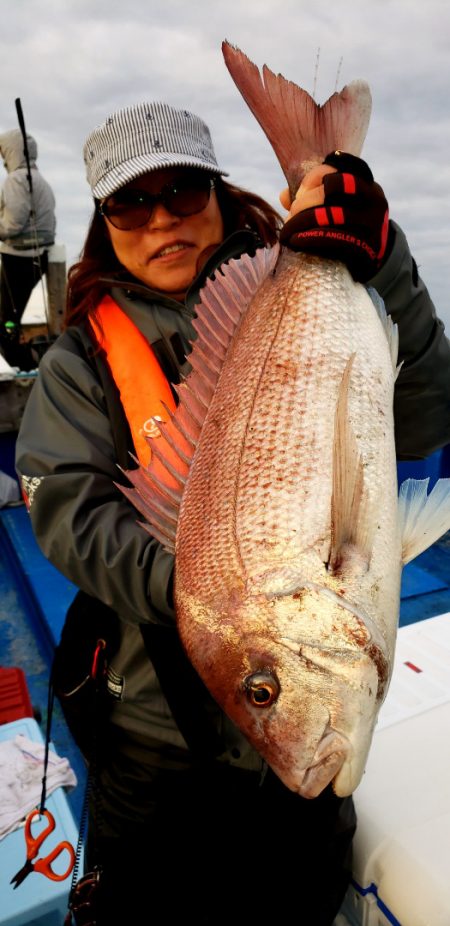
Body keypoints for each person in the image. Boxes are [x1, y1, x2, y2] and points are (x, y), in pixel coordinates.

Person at [15, 101, 450, 925]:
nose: (161, 219)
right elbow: (69, 514)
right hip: (153, 741)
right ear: (105, 222)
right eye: (130, 203)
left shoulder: (320, 277)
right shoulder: (79, 362)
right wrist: (223, 600)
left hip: (284, 743)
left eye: (182, 190)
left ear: (217, 192)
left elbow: (428, 418)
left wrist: (383, 255)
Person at [0, 129, 56, 366]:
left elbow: (13, 224)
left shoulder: (16, 180)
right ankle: (24, 362)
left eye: (4, 152)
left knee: (6, 319)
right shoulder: (39, 180)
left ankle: (20, 365)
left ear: (11, 152)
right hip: (37, 257)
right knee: (11, 316)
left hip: (18, 259)